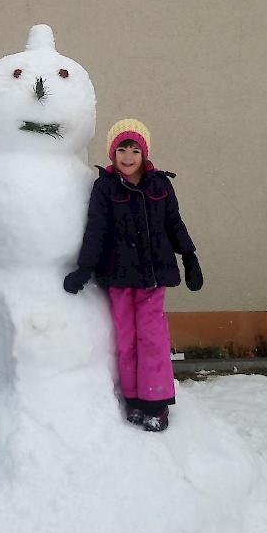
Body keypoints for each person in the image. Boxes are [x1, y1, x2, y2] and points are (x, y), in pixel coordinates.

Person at [63, 118, 203, 432]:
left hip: (153, 277)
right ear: (113, 153)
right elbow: (96, 230)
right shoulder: (105, 186)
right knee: (126, 340)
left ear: (145, 153)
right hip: (118, 276)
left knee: (151, 338)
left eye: (135, 149)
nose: (128, 156)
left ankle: (156, 401)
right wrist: (85, 268)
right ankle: (135, 399)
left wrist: (190, 256)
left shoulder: (160, 185)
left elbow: (174, 224)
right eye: (122, 149)